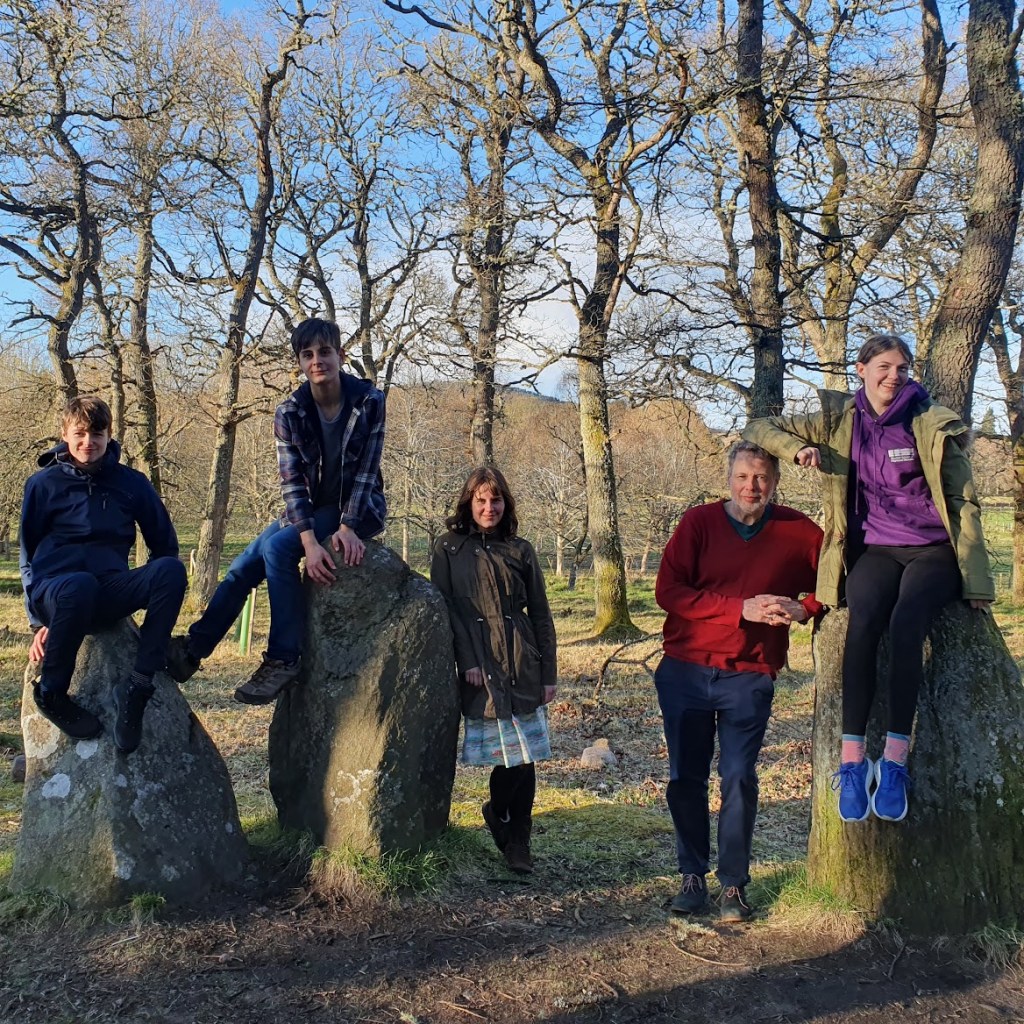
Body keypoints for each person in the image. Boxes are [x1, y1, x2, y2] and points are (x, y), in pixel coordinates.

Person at [744, 334, 994, 824]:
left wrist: (978, 582)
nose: (893, 376)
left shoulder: (932, 422)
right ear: (861, 370)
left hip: (932, 550)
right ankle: (854, 763)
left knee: (907, 624)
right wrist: (796, 450)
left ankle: (895, 763)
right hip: (873, 548)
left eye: (901, 368)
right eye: (883, 367)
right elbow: (760, 424)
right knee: (862, 625)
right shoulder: (840, 420)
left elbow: (963, 502)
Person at [166, 317, 387, 704]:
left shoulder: (369, 402)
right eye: (308, 355)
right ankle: (192, 652)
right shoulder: (290, 411)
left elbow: (368, 471)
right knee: (241, 569)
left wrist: (349, 527)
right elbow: (292, 482)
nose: (317, 361)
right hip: (310, 508)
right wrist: (309, 540)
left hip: (357, 507)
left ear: (341, 355)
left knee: (279, 550)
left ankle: (284, 658)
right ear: (300, 363)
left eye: (325, 352)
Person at [655, 441, 822, 921]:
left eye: (763, 477)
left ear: (775, 482)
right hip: (686, 669)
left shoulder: (799, 531)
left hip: (749, 675)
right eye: (744, 476)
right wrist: (738, 609)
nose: (752, 486)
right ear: (728, 478)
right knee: (686, 777)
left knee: (738, 778)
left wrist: (805, 608)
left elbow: (840, 578)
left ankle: (732, 885)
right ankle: (691, 876)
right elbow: (668, 591)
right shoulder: (697, 524)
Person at [20, 396, 187, 755]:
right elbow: (27, 555)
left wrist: (149, 601)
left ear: (110, 435)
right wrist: (40, 622)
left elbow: (164, 547)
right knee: (77, 587)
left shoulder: (132, 483)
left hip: (108, 589)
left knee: (170, 571)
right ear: (64, 434)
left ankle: (138, 687)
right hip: (57, 588)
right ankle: (51, 693)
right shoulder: (42, 485)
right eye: (79, 433)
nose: (88, 442)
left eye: (97, 433)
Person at [430, 467, 557, 874]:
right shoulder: (448, 548)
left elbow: (539, 611)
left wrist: (549, 671)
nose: (489, 507)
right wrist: (466, 659)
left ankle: (518, 839)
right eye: (481, 500)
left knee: (525, 757)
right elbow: (445, 606)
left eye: (496, 500)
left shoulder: (521, 548)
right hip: (480, 663)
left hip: (522, 658)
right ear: (469, 502)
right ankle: (497, 811)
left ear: (506, 503)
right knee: (507, 757)